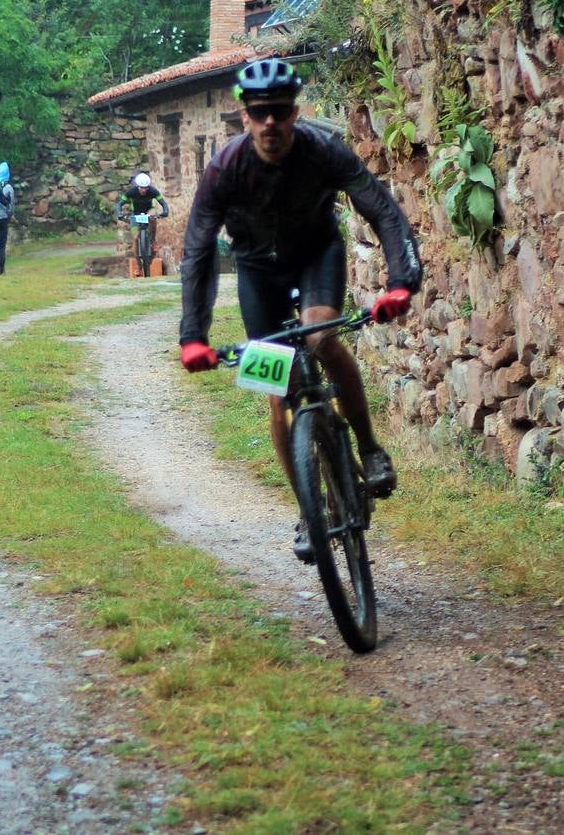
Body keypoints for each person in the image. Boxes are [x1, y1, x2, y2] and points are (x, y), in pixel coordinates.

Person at [178, 58, 423, 562]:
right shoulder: (224, 169)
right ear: (244, 116)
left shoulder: (322, 150)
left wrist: (401, 281)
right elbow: (197, 252)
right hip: (257, 271)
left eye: (281, 111)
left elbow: (382, 209)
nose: (271, 122)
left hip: (316, 255)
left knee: (320, 337)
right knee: (276, 389)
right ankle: (309, 508)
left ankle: (369, 446)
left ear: (295, 112)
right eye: (261, 112)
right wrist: (193, 335)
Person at [116, 172, 169, 261]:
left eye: (146, 188)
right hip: (135, 214)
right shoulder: (131, 192)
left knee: (153, 215)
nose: (144, 190)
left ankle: (152, 240)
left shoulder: (153, 191)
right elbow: (120, 203)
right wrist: (119, 213)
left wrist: (166, 211)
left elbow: (163, 203)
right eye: (141, 188)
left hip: (148, 211)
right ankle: (138, 262)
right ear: (137, 186)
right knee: (135, 238)